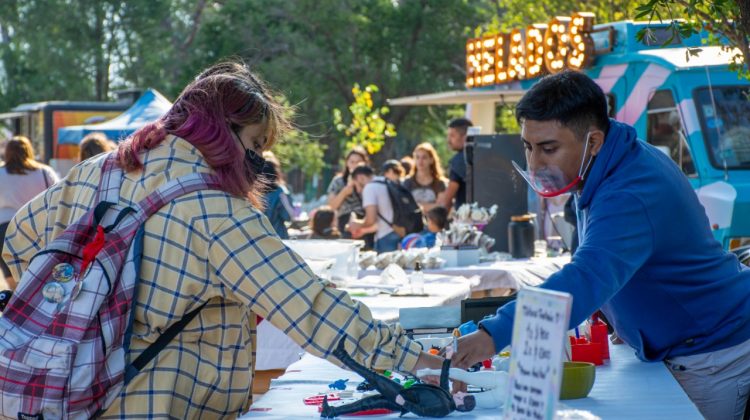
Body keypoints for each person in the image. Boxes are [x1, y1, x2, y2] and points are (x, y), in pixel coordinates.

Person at [1, 61, 443, 418]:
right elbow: (308, 304)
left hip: (76, 394)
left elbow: (19, 238)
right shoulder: (216, 211)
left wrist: (82, 319)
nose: (257, 161)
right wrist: (418, 359)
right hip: (162, 402)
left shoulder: (100, 170)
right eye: (254, 144)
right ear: (220, 130)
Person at [450, 70, 750, 420]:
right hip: (689, 345)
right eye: (528, 147)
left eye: (549, 148)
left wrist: (495, 333)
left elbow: (588, 275)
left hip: (711, 352)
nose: (534, 163)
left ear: (593, 142)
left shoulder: (630, 190)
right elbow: (614, 261)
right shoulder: (611, 162)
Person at [0, 136, 60, 288]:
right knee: (39, 269)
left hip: (5, 227)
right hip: (38, 226)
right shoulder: (45, 172)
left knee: (11, 273)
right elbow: (58, 196)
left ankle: (16, 300)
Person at [347, 165, 400, 253]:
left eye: (356, 186)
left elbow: (371, 220)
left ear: (361, 178)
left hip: (385, 239)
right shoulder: (386, 182)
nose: (358, 191)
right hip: (398, 233)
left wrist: (355, 224)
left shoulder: (369, 188)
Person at [327, 147, 369, 237]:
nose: (355, 165)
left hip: (365, 223)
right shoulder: (338, 181)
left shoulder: (370, 181)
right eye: (352, 162)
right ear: (347, 163)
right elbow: (331, 207)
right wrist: (345, 191)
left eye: (358, 162)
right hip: (344, 223)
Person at [403, 142, 448, 212]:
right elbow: (404, 206)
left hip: (434, 222)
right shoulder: (407, 182)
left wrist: (416, 206)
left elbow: (441, 207)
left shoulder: (440, 183)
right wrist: (431, 206)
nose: (420, 161)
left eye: (424, 157)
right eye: (417, 157)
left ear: (431, 160)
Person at [440, 118, 472, 210]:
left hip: (466, 218)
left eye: (452, 136)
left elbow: (447, 201)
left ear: (464, 136)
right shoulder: (486, 155)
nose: (448, 140)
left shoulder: (458, 161)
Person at [260, 151, 294, 239]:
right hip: (278, 238)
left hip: (259, 238)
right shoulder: (280, 192)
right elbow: (289, 217)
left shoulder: (251, 193)